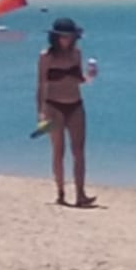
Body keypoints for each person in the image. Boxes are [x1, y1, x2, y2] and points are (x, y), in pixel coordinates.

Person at [36, 17, 90, 206]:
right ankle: (60, 192)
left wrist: (89, 77)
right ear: (55, 37)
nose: (66, 40)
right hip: (53, 106)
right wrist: (40, 112)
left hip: (75, 104)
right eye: (62, 36)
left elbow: (79, 79)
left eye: (69, 36)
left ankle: (80, 193)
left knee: (79, 151)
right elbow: (41, 85)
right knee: (58, 151)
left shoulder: (76, 54)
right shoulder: (46, 56)